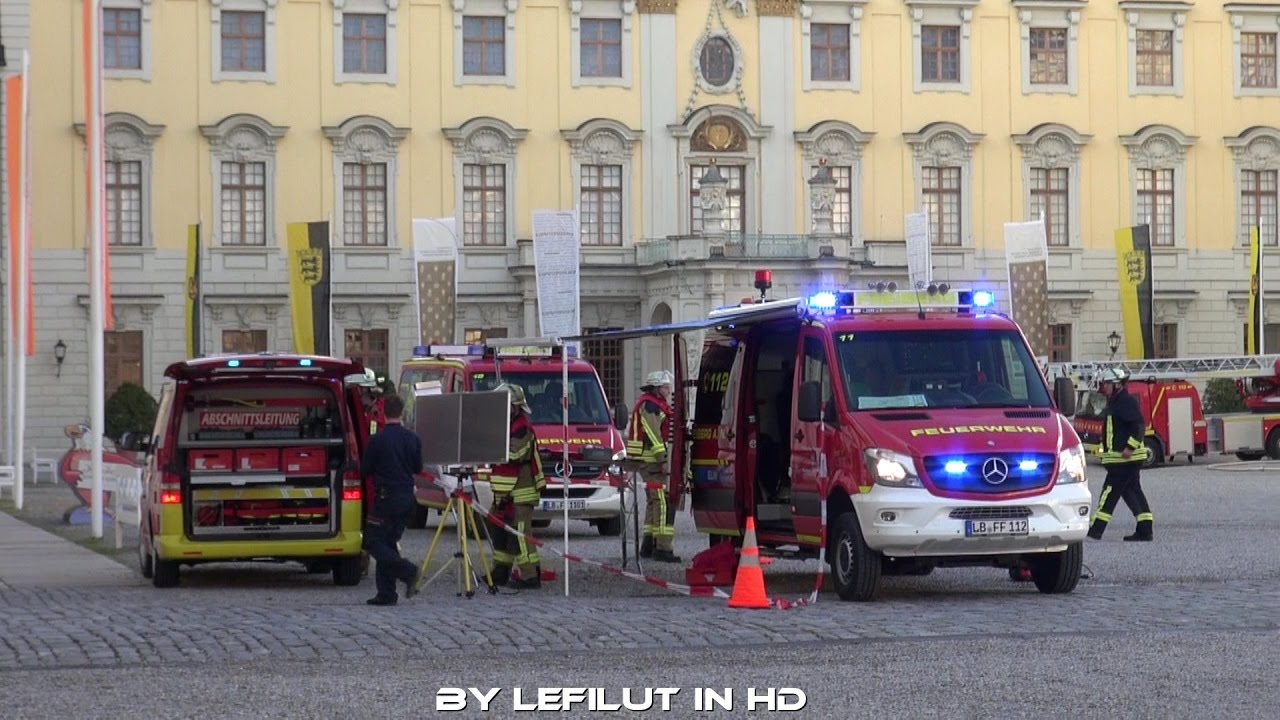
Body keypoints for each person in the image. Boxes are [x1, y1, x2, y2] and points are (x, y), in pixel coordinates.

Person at [360, 393, 424, 605]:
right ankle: (386, 593)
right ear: (402, 412)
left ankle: (408, 571)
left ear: (383, 412)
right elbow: (418, 468)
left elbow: (365, 469)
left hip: (386, 498)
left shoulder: (378, 440)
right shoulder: (413, 438)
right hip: (407, 498)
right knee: (388, 543)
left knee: (373, 542)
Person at [1087, 367, 1154, 541]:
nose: (1104, 387)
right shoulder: (1117, 401)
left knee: (1109, 492)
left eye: (1107, 383)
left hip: (1123, 460)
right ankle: (1145, 529)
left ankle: (1096, 529)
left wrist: (1129, 448)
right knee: (1132, 491)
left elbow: (1138, 425)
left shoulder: (1125, 401)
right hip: (1122, 459)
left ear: (1117, 385)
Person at [489, 383, 546, 589]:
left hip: (521, 491)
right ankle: (500, 571)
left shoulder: (521, 428)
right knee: (499, 530)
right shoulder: (505, 425)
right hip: (505, 492)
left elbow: (513, 455)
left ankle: (529, 576)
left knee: (521, 534)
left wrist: (490, 445)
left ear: (513, 407)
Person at [628, 370, 680, 563]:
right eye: (666, 387)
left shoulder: (654, 404)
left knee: (653, 501)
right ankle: (663, 548)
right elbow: (653, 434)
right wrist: (664, 459)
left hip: (650, 462)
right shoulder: (650, 406)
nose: (669, 390)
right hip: (653, 462)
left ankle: (648, 545)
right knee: (662, 501)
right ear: (657, 388)